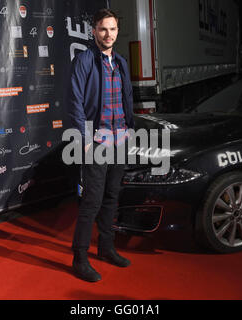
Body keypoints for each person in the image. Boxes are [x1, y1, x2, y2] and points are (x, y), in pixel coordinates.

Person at [66, 8, 135, 282]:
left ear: (118, 31)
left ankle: (106, 248)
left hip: (119, 140)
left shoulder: (120, 62)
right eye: (103, 29)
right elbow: (75, 102)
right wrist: (83, 138)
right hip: (96, 141)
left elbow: (127, 96)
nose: (108, 34)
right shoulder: (84, 61)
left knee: (111, 198)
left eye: (113, 29)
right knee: (92, 201)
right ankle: (79, 257)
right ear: (93, 30)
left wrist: (130, 129)